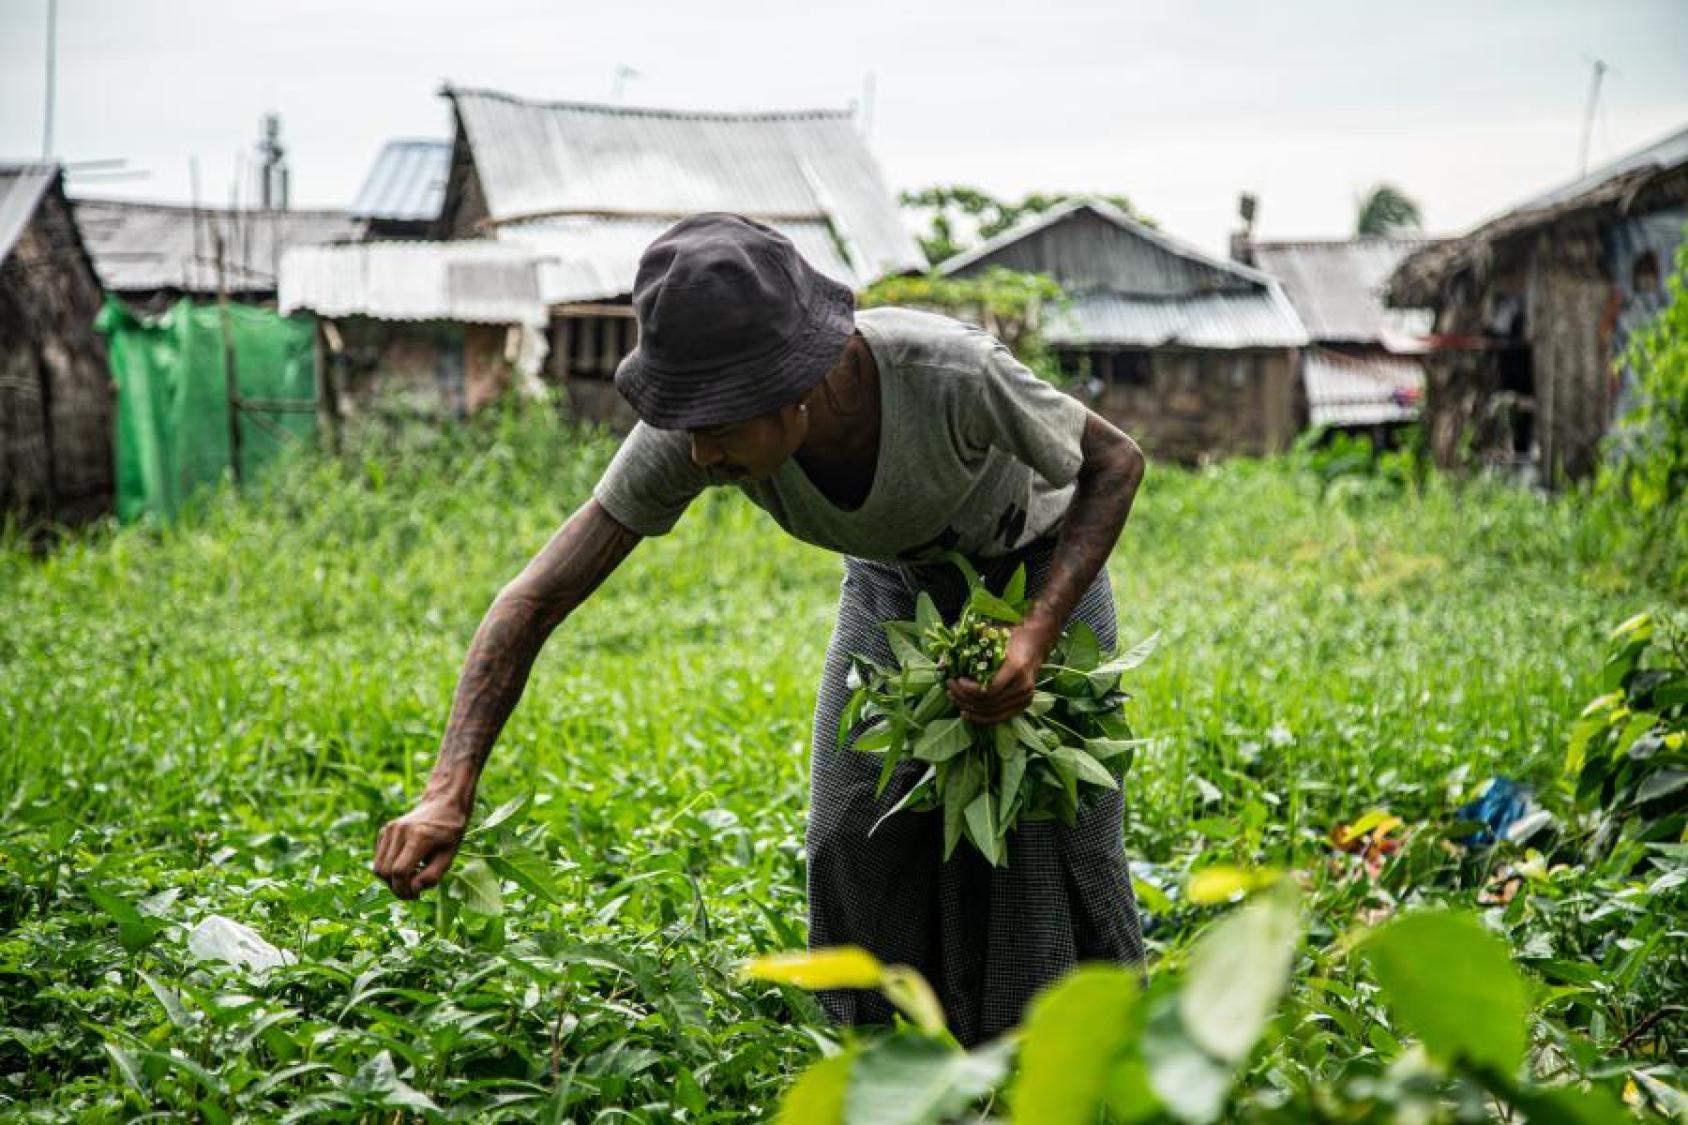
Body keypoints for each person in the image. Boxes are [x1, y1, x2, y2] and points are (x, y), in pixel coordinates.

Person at [373, 213, 1148, 1046]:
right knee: (853, 829)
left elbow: (1114, 463)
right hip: (894, 585)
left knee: (1048, 839)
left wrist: (1031, 636)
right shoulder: (692, 436)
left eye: (721, 421)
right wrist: (447, 790)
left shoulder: (948, 371)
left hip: (1037, 570)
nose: (701, 452)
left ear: (800, 381)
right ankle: (879, 1065)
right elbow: (534, 598)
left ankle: (1072, 1060)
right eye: (688, 419)